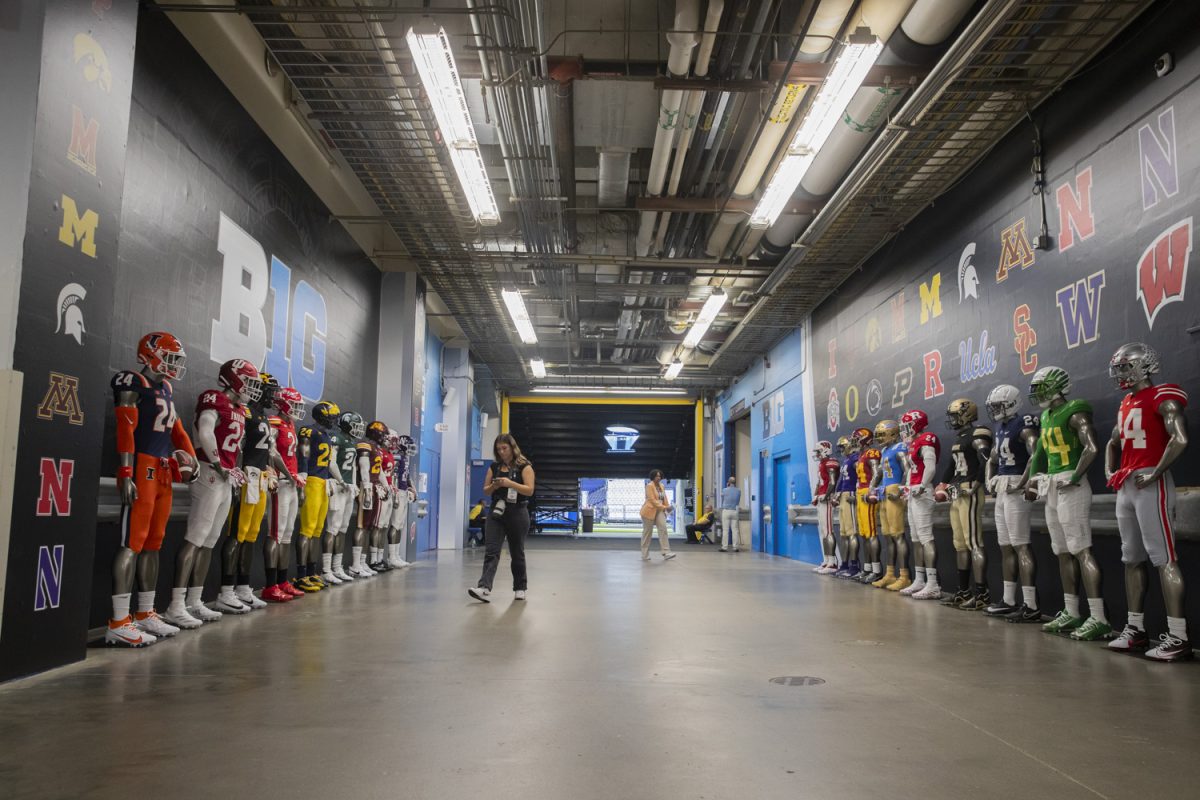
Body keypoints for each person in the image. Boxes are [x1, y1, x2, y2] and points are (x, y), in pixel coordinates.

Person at [469, 434, 535, 602]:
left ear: (513, 448)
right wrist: (495, 485)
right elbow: (485, 491)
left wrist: (509, 483)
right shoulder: (494, 467)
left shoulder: (525, 467)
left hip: (518, 512)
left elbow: (529, 490)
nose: (501, 451)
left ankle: (520, 588)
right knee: (491, 551)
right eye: (498, 449)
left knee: (516, 552)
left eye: (504, 448)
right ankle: (484, 587)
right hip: (496, 512)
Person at [640, 469, 676, 561]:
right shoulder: (649, 486)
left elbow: (664, 498)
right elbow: (652, 500)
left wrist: (668, 507)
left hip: (660, 510)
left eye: (660, 476)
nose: (658, 478)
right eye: (656, 476)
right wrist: (664, 507)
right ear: (652, 477)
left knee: (663, 529)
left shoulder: (662, 486)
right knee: (647, 533)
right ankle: (645, 555)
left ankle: (666, 552)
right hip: (649, 511)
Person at [720, 476, 742, 552]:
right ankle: (735, 547)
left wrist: (727, 487)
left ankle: (724, 547)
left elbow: (722, 498)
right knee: (735, 530)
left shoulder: (724, 490)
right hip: (734, 511)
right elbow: (738, 501)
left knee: (725, 530)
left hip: (726, 511)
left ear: (728, 482)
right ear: (735, 483)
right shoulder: (739, 491)